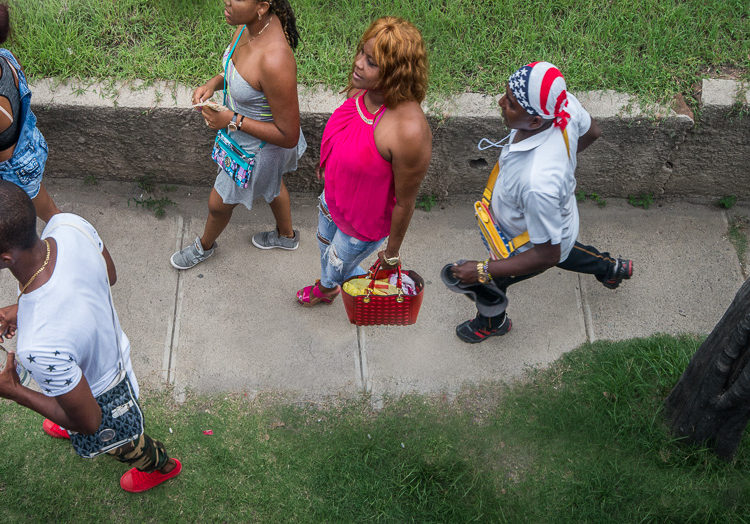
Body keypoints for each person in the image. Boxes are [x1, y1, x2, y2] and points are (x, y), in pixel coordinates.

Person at [0, 181, 181, 493]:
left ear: (5, 259)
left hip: (104, 398)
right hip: (111, 353)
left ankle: (162, 466)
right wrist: (24, 309)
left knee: (127, 443)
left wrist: (14, 390)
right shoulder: (68, 224)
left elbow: (89, 423)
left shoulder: (38, 348)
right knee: (69, 403)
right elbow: (107, 275)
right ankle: (67, 405)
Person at [450, 61, 633, 343]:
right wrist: (563, 164)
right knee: (566, 250)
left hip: (527, 242)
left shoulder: (538, 183)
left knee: (493, 282)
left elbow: (546, 255)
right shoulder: (562, 105)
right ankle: (609, 268)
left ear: (536, 121)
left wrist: (482, 270)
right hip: (551, 224)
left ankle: (492, 322)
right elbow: (592, 131)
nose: (500, 102)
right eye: (505, 94)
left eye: (510, 103)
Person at [296, 16, 432, 305]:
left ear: (397, 73)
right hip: (332, 198)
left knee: (335, 262)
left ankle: (328, 289)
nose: (358, 63)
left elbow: (406, 202)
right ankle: (337, 279)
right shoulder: (366, 89)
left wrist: (391, 254)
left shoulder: (408, 132)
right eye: (362, 52)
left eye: (372, 62)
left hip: (360, 226)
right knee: (324, 246)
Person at [171, 0, 306, 269]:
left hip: (260, 150)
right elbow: (237, 72)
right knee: (274, 185)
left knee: (218, 204)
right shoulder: (249, 25)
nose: (227, 1)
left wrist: (231, 119)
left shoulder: (275, 58)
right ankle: (286, 236)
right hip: (244, 136)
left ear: (262, 6)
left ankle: (204, 247)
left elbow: (288, 134)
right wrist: (213, 83)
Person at [0, 3, 60, 223]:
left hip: (16, 170)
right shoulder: (6, 57)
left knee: (50, 216)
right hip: (31, 143)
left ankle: (73, 246)